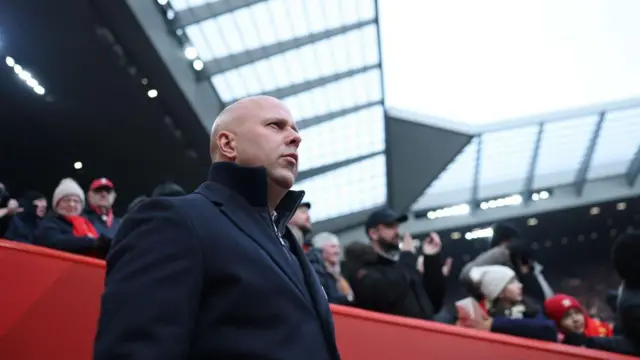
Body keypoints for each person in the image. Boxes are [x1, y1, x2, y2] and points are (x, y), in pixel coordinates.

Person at [94, 95, 340, 360]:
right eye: (275, 126)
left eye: (294, 129)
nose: (295, 137)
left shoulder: (289, 243)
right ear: (228, 144)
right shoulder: (174, 220)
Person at [344, 207, 453, 323]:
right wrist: (407, 257)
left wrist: (431, 261)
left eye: (397, 226)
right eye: (390, 226)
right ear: (373, 234)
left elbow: (433, 302)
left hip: (425, 332)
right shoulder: (363, 269)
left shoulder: (400, 266)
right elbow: (389, 295)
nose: (397, 231)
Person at [33, 178, 110, 257]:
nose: (71, 204)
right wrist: (93, 242)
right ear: (57, 205)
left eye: (76, 201)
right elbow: (55, 242)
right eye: (66, 200)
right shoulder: (48, 224)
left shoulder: (89, 225)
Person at [307, 232, 354, 304]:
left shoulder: (337, 271)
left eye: (338, 247)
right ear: (320, 249)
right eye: (333, 246)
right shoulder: (316, 271)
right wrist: (346, 298)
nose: (337, 251)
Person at [544, 294, 613, 338]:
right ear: (557, 324)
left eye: (577, 313)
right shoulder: (558, 344)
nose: (575, 319)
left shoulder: (603, 331)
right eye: (567, 316)